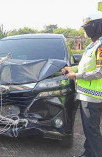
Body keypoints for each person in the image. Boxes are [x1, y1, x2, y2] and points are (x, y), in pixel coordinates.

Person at [62, 12, 102, 157]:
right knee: (89, 129)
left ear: (95, 26)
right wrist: (70, 70)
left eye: (86, 27)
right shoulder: (93, 45)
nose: (84, 30)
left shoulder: (100, 46)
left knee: (92, 130)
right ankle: (89, 152)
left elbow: (99, 72)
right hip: (86, 95)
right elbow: (85, 67)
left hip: (93, 97)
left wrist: (76, 76)